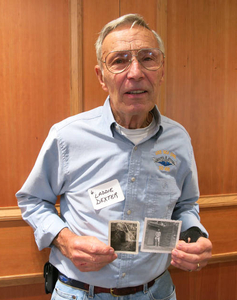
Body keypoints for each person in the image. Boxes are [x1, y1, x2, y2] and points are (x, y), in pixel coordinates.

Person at [16, 13, 212, 300]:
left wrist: (196, 236)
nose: (135, 72)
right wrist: (64, 240)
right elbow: (33, 200)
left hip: (156, 292)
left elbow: (186, 206)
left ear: (162, 70)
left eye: (148, 58)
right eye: (119, 60)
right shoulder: (67, 136)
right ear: (101, 76)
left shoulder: (178, 139)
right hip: (80, 293)